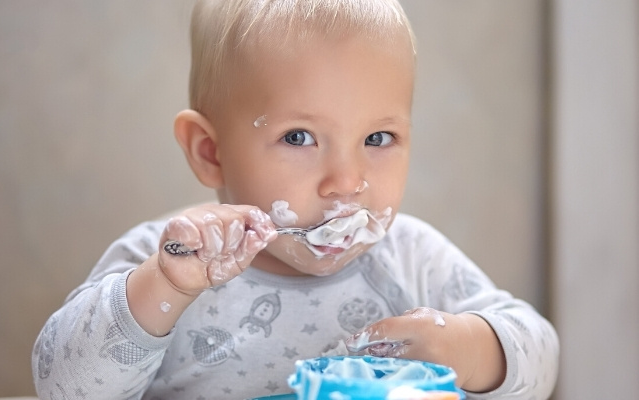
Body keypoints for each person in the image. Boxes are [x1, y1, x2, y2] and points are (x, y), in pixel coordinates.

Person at [32, 0, 559, 399]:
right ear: (211, 152)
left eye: (378, 139)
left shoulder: (414, 260)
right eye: (300, 137)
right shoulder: (162, 264)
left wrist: (469, 348)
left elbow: (541, 353)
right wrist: (164, 288)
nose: (347, 182)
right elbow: (61, 385)